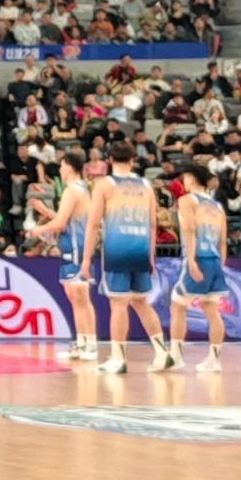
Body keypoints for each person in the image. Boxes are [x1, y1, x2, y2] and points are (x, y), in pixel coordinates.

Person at [87, 148, 168, 378]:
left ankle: (118, 358)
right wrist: (151, 256)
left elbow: (94, 224)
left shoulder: (104, 184)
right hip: (141, 248)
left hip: (117, 249)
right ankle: (162, 353)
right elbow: (153, 224)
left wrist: (86, 259)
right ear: (133, 160)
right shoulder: (146, 185)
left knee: (119, 303)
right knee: (141, 302)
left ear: (110, 160)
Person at [37, 151, 102, 370]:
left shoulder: (73, 189)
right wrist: (46, 211)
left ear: (70, 167)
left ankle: (90, 345)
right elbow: (64, 221)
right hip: (72, 245)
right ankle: (82, 343)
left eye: (62, 165)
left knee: (81, 297)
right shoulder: (80, 188)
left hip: (77, 247)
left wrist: (37, 230)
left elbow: (59, 224)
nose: (60, 169)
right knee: (74, 296)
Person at [169, 174, 231, 367]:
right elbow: (223, 240)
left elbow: (189, 230)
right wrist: (221, 265)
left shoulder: (187, 200)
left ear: (192, 180)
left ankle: (176, 357)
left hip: (198, 257)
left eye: (185, 178)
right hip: (215, 260)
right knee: (212, 310)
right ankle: (214, 360)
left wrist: (192, 262)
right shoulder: (217, 206)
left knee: (178, 306)